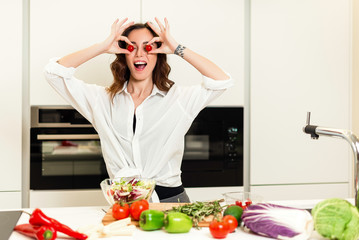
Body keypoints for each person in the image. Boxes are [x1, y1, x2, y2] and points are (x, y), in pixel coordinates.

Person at [44, 17, 233, 203]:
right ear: (123, 54)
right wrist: (102, 47)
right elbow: (53, 73)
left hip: (171, 202)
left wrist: (176, 48)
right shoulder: (101, 100)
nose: (139, 55)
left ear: (158, 53)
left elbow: (221, 81)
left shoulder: (178, 99)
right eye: (132, 47)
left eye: (148, 47)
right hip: (124, 205)